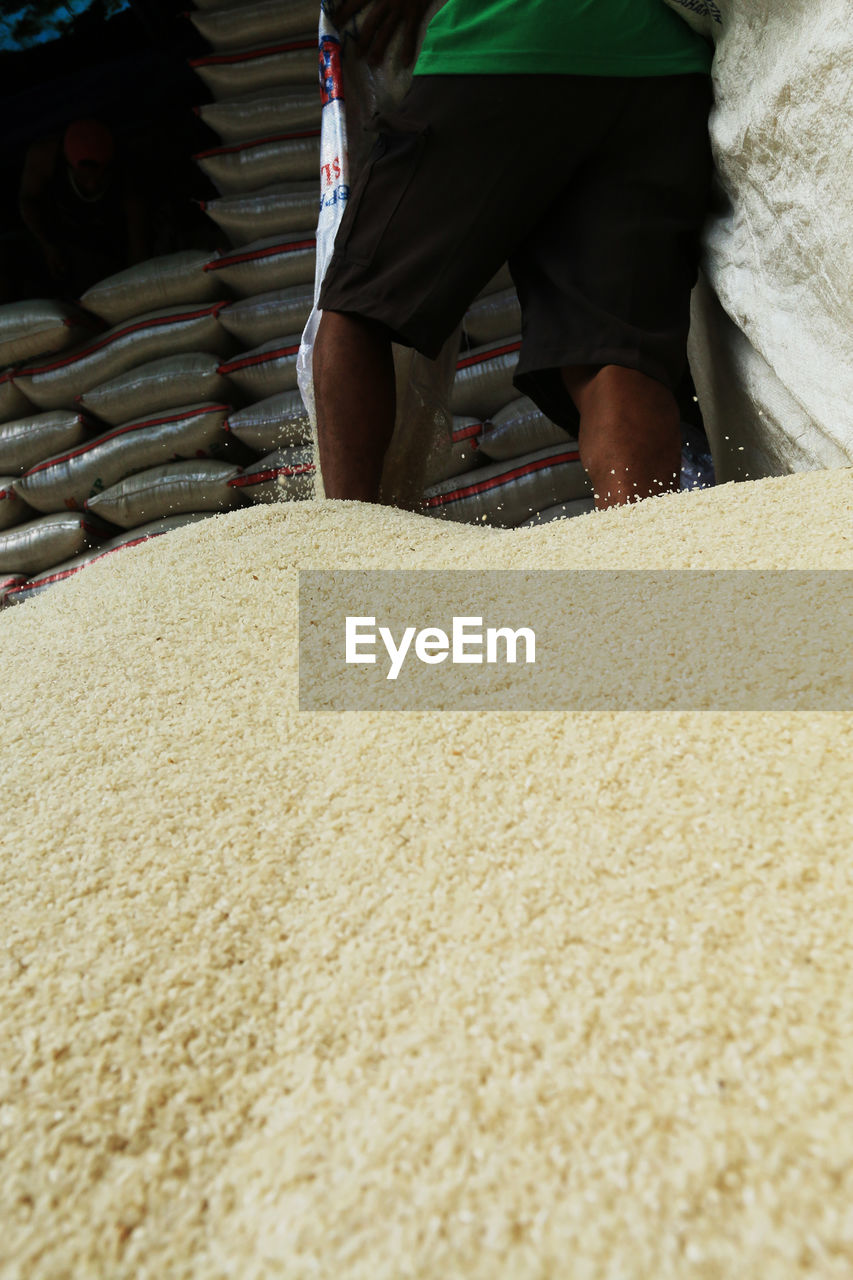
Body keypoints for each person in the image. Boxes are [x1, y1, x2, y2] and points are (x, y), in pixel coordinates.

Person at [313, 0, 714, 509]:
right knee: (614, 355)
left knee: (361, 301)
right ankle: (644, 569)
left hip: (510, 35)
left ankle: (349, 548)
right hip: (661, 64)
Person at [19, 118, 148, 299]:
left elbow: (137, 234)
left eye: (98, 178)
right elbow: (28, 201)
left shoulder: (127, 170)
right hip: (60, 236)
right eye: (84, 179)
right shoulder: (45, 158)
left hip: (104, 245)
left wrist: (136, 280)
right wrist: (48, 245)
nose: (92, 185)